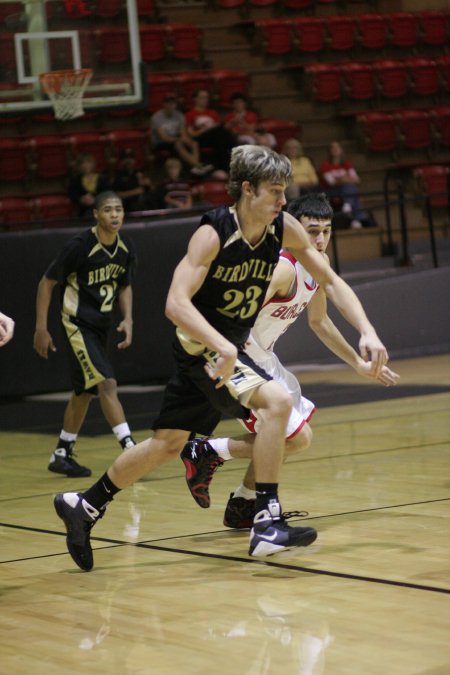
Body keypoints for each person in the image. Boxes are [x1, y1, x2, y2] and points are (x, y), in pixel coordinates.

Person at [53, 145, 390, 571]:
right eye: (274, 191)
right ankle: (265, 520)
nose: (283, 201)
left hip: (222, 349)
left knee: (165, 444)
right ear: (247, 190)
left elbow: (331, 280)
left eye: (284, 191)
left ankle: (84, 505)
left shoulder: (282, 228)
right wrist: (227, 346)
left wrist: (368, 331)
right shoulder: (213, 233)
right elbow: (175, 303)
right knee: (278, 402)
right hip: (205, 348)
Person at [181, 193, 400, 527]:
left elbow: (320, 322)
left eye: (327, 230)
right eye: (313, 231)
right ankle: (208, 451)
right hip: (238, 353)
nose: (321, 239)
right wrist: (228, 355)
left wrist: (358, 362)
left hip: (263, 356)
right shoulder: (283, 267)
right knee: (296, 437)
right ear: (295, 228)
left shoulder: (316, 267)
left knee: (287, 435)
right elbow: (235, 313)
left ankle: (243, 502)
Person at [33, 191, 137, 478]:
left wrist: (127, 318)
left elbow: (125, 285)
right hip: (78, 324)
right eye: (108, 210)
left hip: (101, 325)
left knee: (84, 391)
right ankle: (130, 449)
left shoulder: (125, 246)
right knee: (107, 384)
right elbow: (47, 282)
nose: (114, 215)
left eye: (118, 209)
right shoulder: (80, 246)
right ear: (96, 214)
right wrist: (41, 328)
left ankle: (62, 452)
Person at [150, 95, 212, 176]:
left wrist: (186, 140)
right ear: (164, 104)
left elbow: (183, 133)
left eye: (173, 104)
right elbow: (163, 137)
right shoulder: (157, 117)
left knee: (194, 143)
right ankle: (197, 165)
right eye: (168, 103)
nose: (171, 106)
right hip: (160, 143)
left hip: (175, 139)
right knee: (178, 144)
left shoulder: (179, 115)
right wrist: (179, 139)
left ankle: (196, 167)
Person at [185, 89, 236, 177]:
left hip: (216, 137)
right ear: (195, 99)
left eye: (206, 97)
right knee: (221, 135)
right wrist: (206, 129)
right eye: (202, 97)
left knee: (221, 137)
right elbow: (192, 134)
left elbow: (220, 128)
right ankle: (227, 167)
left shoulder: (212, 113)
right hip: (201, 138)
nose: (205, 100)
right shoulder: (190, 114)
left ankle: (227, 168)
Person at [318, 141, 369, 230]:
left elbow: (357, 179)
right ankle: (356, 218)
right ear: (329, 151)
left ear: (341, 150)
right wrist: (344, 179)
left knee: (351, 188)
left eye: (337, 148)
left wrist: (342, 179)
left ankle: (349, 208)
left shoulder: (346, 164)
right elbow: (331, 182)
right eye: (333, 148)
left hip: (346, 190)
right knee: (352, 189)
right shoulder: (325, 165)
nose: (335, 150)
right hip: (332, 191)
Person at [112, 148, 157, 213]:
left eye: (131, 157)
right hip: (126, 206)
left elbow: (151, 190)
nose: (129, 160)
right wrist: (134, 192)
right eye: (126, 158)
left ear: (135, 160)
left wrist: (149, 184)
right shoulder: (118, 175)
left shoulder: (140, 173)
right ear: (122, 160)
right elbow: (117, 194)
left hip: (142, 205)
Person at [68, 153, 111, 220]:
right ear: (79, 165)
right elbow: (72, 194)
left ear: (93, 164)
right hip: (83, 209)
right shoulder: (76, 180)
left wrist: (95, 199)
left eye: (88, 162)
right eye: (83, 163)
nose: (86, 165)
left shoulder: (102, 178)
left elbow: (106, 193)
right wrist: (81, 199)